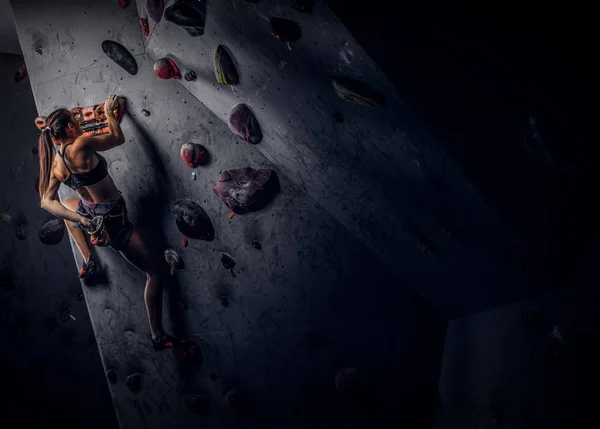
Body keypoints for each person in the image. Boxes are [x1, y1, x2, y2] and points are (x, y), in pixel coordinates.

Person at [38, 94, 175, 350]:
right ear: (69, 127)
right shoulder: (81, 144)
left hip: (90, 215)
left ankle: (88, 257)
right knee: (154, 273)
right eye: (75, 120)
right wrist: (111, 114)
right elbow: (117, 138)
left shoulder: (57, 162)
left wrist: (81, 219)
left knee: (67, 207)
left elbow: (46, 202)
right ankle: (157, 335)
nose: (79, 122)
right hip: (112, 221)